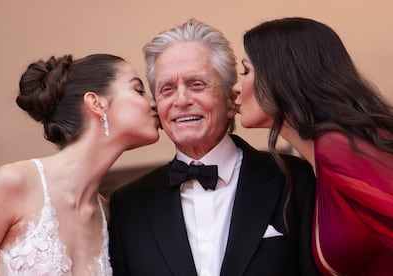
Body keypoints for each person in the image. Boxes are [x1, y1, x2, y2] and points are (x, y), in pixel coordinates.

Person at [109, 18, 320, 276]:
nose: (182, 100)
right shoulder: (128, 205)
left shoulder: (295, 179)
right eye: (167, 89)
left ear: (232, 100)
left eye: (197, 84)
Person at [234, 17, 393, 275]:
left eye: (245, 71)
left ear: (283, 73)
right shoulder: (320, 159)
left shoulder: (340, 146)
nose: (235, 88)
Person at [0, 53, 160, 275]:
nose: (154, 104)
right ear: (96, 103)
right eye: (139, 90)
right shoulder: (16, 182)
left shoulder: (107, 215)